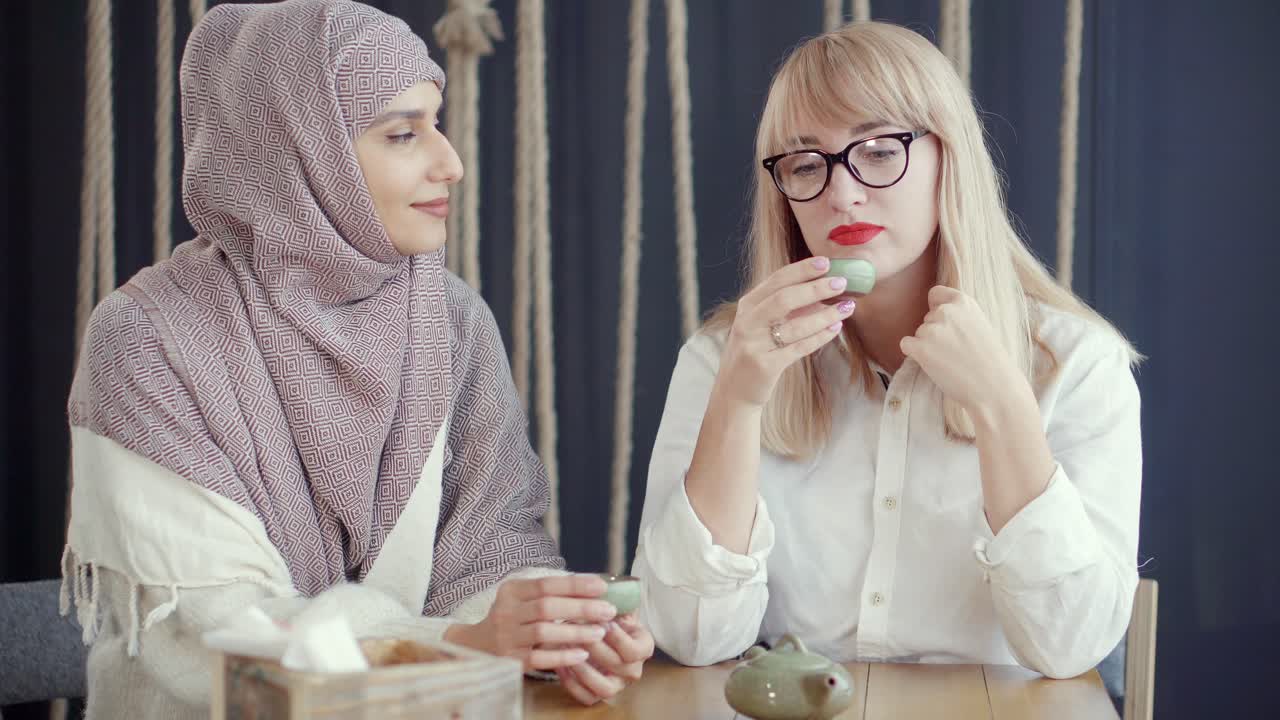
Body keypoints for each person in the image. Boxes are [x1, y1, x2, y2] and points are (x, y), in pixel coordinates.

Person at [61, 2, 651, 717]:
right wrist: (468, 641)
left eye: (436, 122)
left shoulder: (451, 321)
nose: (451, 163)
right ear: (300, 153)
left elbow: (491, 552)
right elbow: (222, 631)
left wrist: (553, 635)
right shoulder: (148, 338)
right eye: (403, 134)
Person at [633, 21, 1141, 680]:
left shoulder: (1077, 366)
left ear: (947, 156)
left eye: (877, 150)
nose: (843, 192)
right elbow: (690, 637)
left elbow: (1070, 645)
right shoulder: (723, 360)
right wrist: (737, 402)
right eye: (807, 163)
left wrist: (1002, 406)